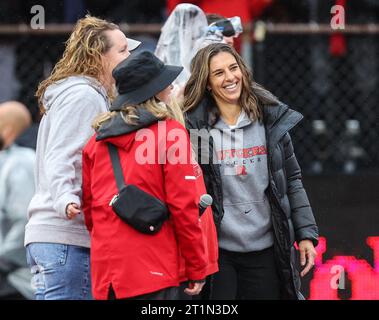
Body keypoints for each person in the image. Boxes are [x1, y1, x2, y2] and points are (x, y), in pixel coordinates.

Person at [183, 43, 319, 300]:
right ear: (208, 83)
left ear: (244, 71)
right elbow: (193, 189)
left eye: (233, 68)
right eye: (219, 73)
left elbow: (292, 179)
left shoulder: (270, 121)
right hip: (219, 253)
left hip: (265, 250)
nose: (230, 77)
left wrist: (305, 234)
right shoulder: (198, 130)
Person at [82, 50, 217, 300]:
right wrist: (197, 267)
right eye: (165, 83)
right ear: (154, 92)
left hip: (108, 278)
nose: (171, 87)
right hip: (156, 272)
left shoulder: (95, 143)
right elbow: (184, 208)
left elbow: (91, 214)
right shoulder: (171, 134)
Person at [24, 15, 141, 300]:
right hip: (65, 238)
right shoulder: (84, 96)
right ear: (98, 57)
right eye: (122, 50)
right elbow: (62, 154)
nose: (129, 57)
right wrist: (65, 197)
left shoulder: (85, 93)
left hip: (56, 239)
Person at [0, 102, 35, 299]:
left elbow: (24, 217)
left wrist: (5, 261)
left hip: (15, 280)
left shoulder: (21, 162)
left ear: (8, 130)